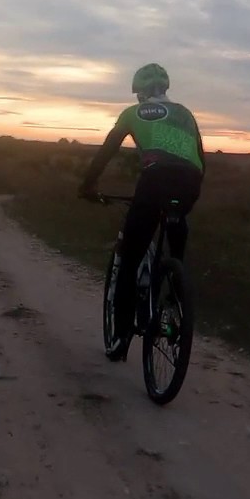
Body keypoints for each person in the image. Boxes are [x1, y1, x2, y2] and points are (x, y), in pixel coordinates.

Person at [77, 63, 205, 360]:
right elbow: (200, 156)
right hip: (191, 181)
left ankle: (121, 336)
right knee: (175, 239)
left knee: (130, 259)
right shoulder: (185, 113)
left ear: (140, 93)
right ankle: (174, 300)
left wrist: (87, 186)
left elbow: (107, 151)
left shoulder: (132, 113)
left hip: (154, 179)